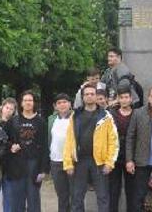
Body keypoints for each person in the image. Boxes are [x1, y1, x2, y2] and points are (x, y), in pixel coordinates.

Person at [64, 84, 119, 212]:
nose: (89, 96)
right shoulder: (75, 116)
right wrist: (68, 163)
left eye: (92, 94)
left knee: (103, 197)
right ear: (82, 97)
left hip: (99, 162)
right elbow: (69, 140)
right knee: (77, 197)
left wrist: (110, 163)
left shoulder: (106, 116)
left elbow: (113, 141)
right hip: (80, 161)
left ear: (96, 96)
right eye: (86, 94)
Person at [6, 91, 49, 212]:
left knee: (33, 198)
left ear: (34, 103)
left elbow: (45, 147)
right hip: (16, 164)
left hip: (34, 164)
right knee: (17, 200)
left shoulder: (40, 122)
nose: (28, 102)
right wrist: (11, 146)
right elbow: (4, 140)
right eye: (25, 100)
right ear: (21, 103)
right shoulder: (13, 121)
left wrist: (43, 169)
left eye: (30, 100)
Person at [109, 88, 136, 212]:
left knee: (131, 191)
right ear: (118, 99)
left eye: (126, 97)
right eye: (122, 97)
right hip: (115, 156)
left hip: (131, 157)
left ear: (131, 99)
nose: (124, 100)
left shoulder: (137, 114)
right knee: (114, 190)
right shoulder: (111, 114)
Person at [48, 94, 74, 212]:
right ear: (55, 106)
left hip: (72, 162)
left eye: (65, 102)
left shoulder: (76, 117)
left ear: (70, 104)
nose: (62, 105)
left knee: (75, 195)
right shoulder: (51, 119)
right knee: (62, 196)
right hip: (56, 162)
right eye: (59, 103)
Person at [0, 98, 18, 212]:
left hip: (9, 165)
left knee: (9, 198)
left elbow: (17, 142)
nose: (8, 110)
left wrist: (15, 146)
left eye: (11, 109)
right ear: (2, 108)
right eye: (7, 108)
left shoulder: (15, 125)